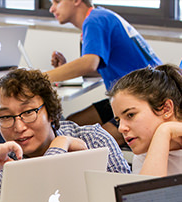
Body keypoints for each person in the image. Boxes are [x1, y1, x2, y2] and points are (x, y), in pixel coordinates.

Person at [0, 68, 130, 202]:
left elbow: (127, 196)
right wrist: (60, 145)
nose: (19, 127)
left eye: (29, 112)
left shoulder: (93, 139)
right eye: (5, 117)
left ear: (50, 112)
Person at [46, 0, 162, 145]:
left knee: (96, 140)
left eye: (57, 2)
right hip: (130, 94)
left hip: (146, 97)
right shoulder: (100, 16)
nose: (52, 9)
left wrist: (42, 77)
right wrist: (65, 68)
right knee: (70, 125)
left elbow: (89, 63)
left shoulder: (94, 20)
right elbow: (97, 68)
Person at [109, 64, 182, 177]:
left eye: (130, 115)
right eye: (118, 120)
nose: (121, 128)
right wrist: (164, 132)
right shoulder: (144, 155)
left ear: (166, 109)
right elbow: (150, 194)